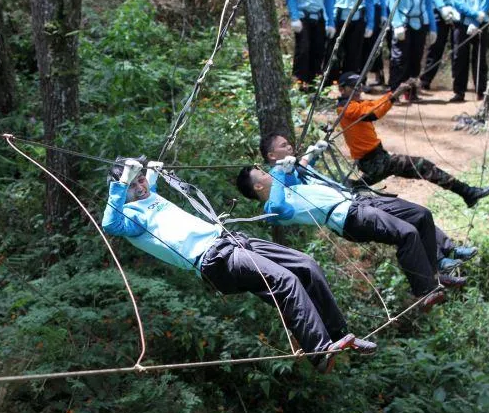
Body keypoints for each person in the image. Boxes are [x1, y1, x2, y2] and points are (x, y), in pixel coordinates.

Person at [101, 155, 375, 373]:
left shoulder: (148, 196)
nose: (140, 187)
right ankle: (319, 351)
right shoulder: (130, 216)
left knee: (306, 265)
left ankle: (339, 335)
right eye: (132, 186)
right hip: (214, 259)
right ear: (123, 191)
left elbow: (149, 189)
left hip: (231, 241)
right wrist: (120, 183)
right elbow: (110, 224)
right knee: (285, 281)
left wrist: (150, 173)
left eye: (140, 180)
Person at [236, 157, 461, 311]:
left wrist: (301, 162)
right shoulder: (272, 208)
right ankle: (424, 291)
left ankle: (433, 274)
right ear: (258, 187)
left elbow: (295, 176)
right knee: (407, 233)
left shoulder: (285, 189)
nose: (268, 173)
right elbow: (278, 205)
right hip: (349, 217)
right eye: (263, 173)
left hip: (358, 201)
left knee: (421, 215)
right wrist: (277, 172)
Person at [255, 133, 481, 273]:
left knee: (416, 213)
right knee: (407, 227)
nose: (290, 147)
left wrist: (311, 156)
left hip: (353, 199)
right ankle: (436, 267)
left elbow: (301, 173)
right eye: (283, 145)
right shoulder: (278, 178)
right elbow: (288, 187)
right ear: (271, 155)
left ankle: (447, 252)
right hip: (347, 211)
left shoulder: (288, 169)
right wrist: (291, 166)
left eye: (288, 144)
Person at [334, 71, 489, 208]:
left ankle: (350, 186)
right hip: (374, 162)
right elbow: (373, 113)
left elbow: (373, 104)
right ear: (341, 89)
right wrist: (395, 95)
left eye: (360, 85)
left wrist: (395, 93)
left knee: (358, 185)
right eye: (353, 87)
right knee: (422, 166)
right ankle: (468, 192)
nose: (358, 89)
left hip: (376, 158)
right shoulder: (346, 109)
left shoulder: (354, 104)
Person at [387, 0, 437, 97]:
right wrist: (396, 24)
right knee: (399, 59)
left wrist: (433, 28)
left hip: (421, 23)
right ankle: (394, 91)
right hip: (403, 23)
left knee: (416, 59)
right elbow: (391, 1)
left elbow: (428, 4)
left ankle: (411, 92)